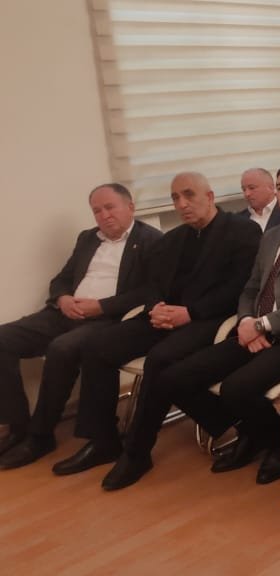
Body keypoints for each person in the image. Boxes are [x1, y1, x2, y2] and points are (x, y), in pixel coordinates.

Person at [99, 165, 280, 491]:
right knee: (175, 378)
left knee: (237, 387)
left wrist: (263, 324)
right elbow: (251, 288)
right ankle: (253, 433)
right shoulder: (272, 236)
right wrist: (247, 320)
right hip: (254, 328)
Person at [54, 172, 261, 481]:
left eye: (189, 195)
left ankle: (137, 453)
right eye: (176, 198)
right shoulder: (174, 239)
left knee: (160, 360)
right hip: (165, 316)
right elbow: (151, 283)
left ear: (210, 196)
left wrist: (190, 313)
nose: (182, 204)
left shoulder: (242, 231)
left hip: (210, 318)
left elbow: (240, 287)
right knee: (97, 346)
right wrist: (155, 307)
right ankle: (103, 440)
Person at [0, 184, 162, 469]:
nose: (104, 215)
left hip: (108, 318)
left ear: (130, 207)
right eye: (97, 210)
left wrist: (102, 306)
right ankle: (18, 426)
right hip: (65, 312)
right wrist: (62, 298)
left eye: (110, 207)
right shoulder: (88, 238)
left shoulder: (152, 241)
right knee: (3, 338)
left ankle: (40, 436)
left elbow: (150, 291)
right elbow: (62, 279)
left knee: (62, 348)